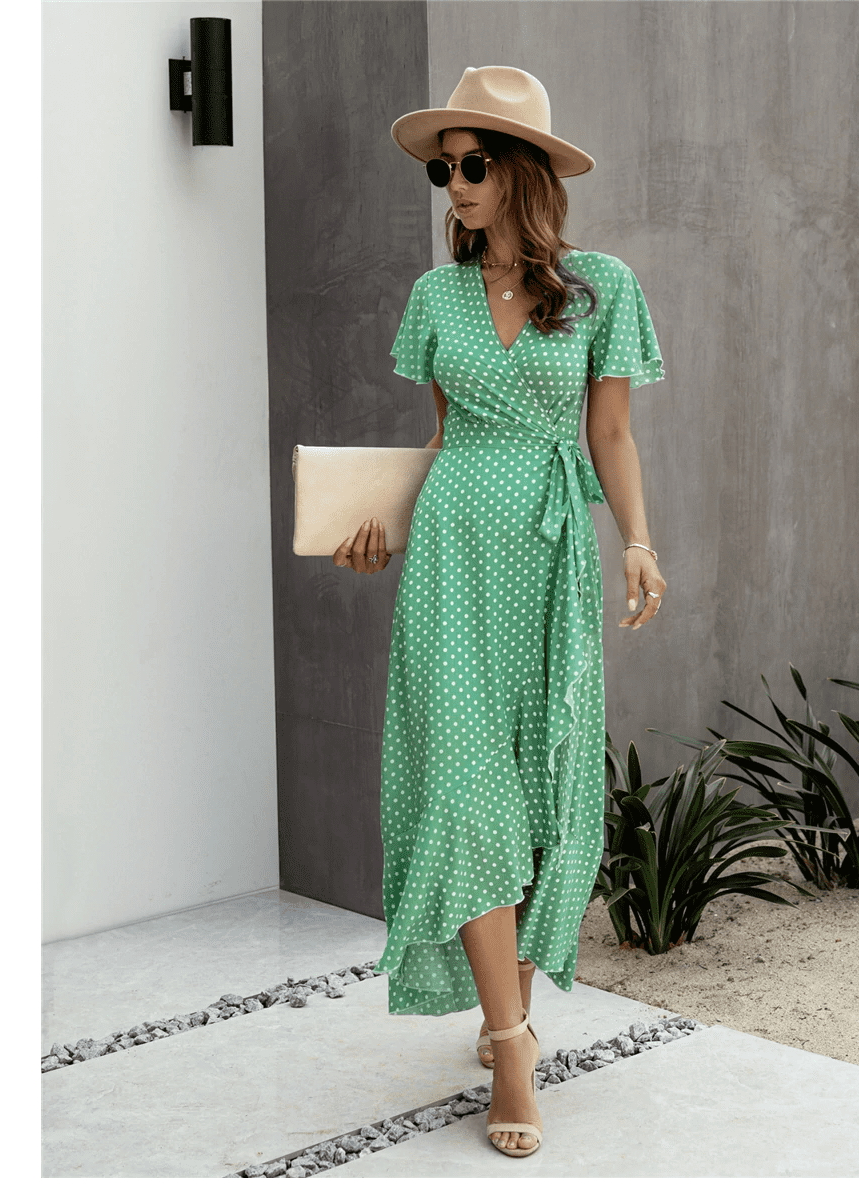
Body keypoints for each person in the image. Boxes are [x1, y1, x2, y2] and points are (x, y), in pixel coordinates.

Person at [332, 65, 667, 1159]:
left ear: (523, 171)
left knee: (539, 788)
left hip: (551, 550)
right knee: (464, 786)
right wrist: (379, 526)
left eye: (473, 164)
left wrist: (638, 540)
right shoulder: (435, 298)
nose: (457, 185)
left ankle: (506, 1003)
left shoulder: (602, 287)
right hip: (452, 557)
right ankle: (512, 1042)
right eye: (445, 170)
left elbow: (608, 432)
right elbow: (441, 437)